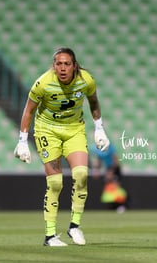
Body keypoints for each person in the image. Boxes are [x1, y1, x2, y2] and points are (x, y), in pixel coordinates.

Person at [14, 47, 110, 246]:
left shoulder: (86, 80)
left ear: (74, 66)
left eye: (67, 64)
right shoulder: (43, 83)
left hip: (74, 130)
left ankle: (74, 226)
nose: (63, 68)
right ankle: (50, 236)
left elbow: (93, 102)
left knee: (82, 174)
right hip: (47, 131)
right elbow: (28, 111)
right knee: (56, 183)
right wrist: (22, 141)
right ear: (54, 66)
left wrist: (99, 128)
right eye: (59, 64)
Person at [90, 142, 128, 213]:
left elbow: (115, 159)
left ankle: (121, 205)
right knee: (109, 189)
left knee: (117, 188)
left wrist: (112, 171)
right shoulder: (99, 149)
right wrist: (96, 171)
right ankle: (113, 206)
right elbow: (99, 161)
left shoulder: (110, 147)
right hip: (108, 169)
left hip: (115, 169)